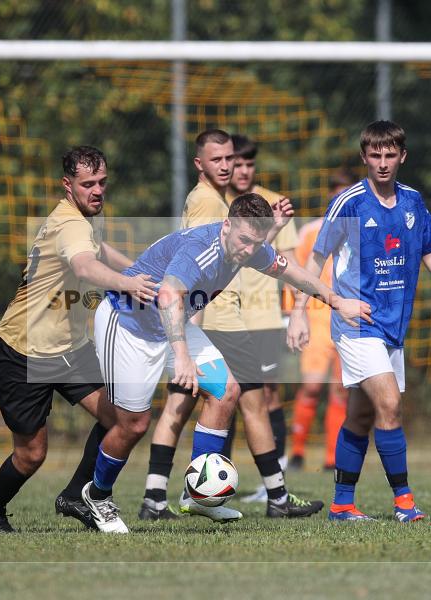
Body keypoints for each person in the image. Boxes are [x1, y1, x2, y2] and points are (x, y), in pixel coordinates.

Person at [86, 193, 370, 533]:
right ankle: (97, 496)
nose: (249, 250)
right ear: (226, 226)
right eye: (244, 241)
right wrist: (182, 356)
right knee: (134, 425)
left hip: (166, 325)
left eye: (256, 243)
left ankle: (197, 495)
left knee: (226, 391)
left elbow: (292, 272)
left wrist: (337, 301)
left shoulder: (251, 246)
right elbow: (168, 296)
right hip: (128, 323)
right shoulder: (200, 249)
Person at [288, 121, 431, 522]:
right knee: (390, 404)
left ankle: (342, 505)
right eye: (374, 155)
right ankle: (405, 504)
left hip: (394, 325)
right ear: (364, 157)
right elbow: (315, 259)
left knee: (362, 415)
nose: (382, 163)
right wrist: (298, 312)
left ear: (402, 157)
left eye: (389, 155)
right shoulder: (350, 203)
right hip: (356, 323)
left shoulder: (413, 202)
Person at [138, 130, 322, 522]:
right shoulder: (208, 204)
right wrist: (188, 337)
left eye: (232, 160)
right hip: (219, 322)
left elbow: (243, 251)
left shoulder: (214, 200)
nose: (229, 166)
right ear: (201, 163)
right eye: (222, 160)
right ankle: (271, 497)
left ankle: (156, 497)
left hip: (211, 321)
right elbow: (202, 268)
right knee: (251, 403)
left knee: (183, 405)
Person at [0, 146, 157, 533]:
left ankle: (77, 495)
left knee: (124, 419)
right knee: (31, 455)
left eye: (102, 182)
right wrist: (130, 284)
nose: (97, 191)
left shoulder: (88, 217)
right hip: (24, 350)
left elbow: (99, 249)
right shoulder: (70, 224)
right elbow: (84, 264)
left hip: (72, 349)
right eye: (87, 184)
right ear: (67, 185)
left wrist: (144, 272)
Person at [225, 134, 299, 503]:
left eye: (248, 164)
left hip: (266, 317)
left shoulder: (274, 202)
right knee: (224, 394)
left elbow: (291, 264)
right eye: (236, 163)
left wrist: (297, 312)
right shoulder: (216, 203)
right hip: (225, 315)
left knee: (269, 396)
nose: (242, 170)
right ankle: (214, 483)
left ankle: (275, 480)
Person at [289, 167, 356, 472]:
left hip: (347, 318)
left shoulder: (361, 229)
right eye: (334, 188)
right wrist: (295, 313)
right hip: (316, 317)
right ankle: (298, 452)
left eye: (344, 188)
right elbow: (296, 274)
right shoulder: (311, 231)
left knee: (341, 389)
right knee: (312, 386)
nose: (338, 193)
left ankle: (332, 458)